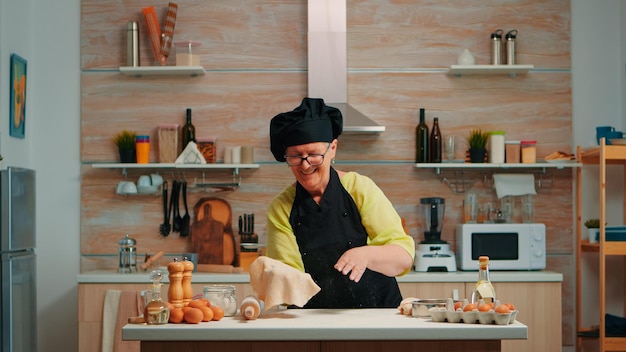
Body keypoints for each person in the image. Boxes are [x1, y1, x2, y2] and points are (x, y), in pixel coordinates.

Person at [266, 97, 415, 308]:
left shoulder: (360, 188)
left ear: (333, 148)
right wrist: (272, 278)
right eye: (295, 156)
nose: (305, 164)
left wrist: (367, 255)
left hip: (379, 315)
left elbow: (403, 257)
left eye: (314, 155)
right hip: (312, 320)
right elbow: (288, 276)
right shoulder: (281, 208)